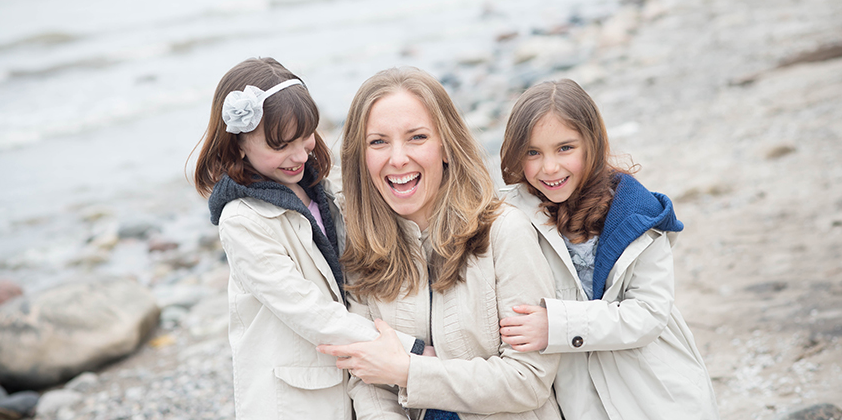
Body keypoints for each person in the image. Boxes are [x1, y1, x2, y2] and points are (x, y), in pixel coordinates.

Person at [317, 67, 561, 420]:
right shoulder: (361, 247)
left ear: (446, 146)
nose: (397, 158)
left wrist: (408, 372)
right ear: (361, 156)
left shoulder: (505, 232)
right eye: (378, 141)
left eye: (417, 137)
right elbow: (366, 377)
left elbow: (528, 380)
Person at [192, 57, 423, 420]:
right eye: (281, 146)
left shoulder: (318, 191)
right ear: (238, 144)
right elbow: (308, 310)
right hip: (293, 400)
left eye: (305, 138)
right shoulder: (242, 220)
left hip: (350, 378)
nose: (300, 155)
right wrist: (410, 351)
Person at [497, 79, 720, 420]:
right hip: (577, 400)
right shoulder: (510, 218)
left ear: (592, 143)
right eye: (533, 152)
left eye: (565, 148)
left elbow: (648, 313)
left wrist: (555, 326)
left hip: (654, 394)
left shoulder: (635, 214)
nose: (550, 167)